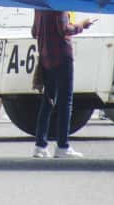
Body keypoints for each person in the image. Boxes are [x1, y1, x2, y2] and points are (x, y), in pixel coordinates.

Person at [32, 9, 96, 158]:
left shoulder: (38, 7)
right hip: (62, 56)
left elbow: (34, 31)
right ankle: (62, 146)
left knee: (47, 101)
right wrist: (82, 25)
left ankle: (40, 146)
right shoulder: (59, 5)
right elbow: (64, 29)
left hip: (45, 58)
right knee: (65, 102)